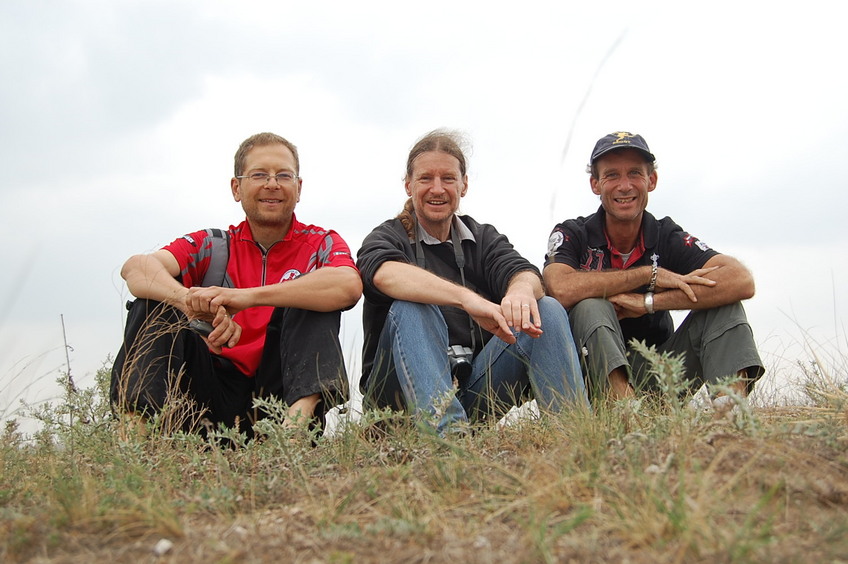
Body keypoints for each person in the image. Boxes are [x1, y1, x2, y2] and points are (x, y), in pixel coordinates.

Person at [111, 132, 362, 436]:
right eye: (259, 175)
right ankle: (134, 438)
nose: (272, 184)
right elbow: (136, 268)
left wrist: (245, 298)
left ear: (298, 188)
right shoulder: (213, 245)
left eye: (284, 175)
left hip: (277, 399)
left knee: (311, 295)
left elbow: (347, 285)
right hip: (206, 399)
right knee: (150, 304)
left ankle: (294, 436)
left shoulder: (320, 242)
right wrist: (190, 304)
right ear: (236, 187)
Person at [357, 129, 588, 435]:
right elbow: (383, 272)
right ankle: (449, 441)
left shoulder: (481, 237)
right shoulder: (386, 236)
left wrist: (519, 291)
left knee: (546, 308)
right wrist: (467, 299)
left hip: (470, 394)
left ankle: (574, 433)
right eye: (426, 178)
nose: (437, 189)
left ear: (463, 185)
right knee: (412, 307)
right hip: (397, 407)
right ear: (408, 185)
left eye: (448, 179)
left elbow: (524, 271)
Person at [544, 131, 764, 403]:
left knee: (725, 304)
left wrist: (648, 302)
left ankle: (729, 420)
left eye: (635, 173)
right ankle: (626, 415)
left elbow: (741, 281)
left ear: (652, 180)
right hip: (593, 381)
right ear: (595, 184)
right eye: (612, 175)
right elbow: (559, 288)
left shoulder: (666, 235)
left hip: (660, 375)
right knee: (592, 305)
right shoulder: (572, 232)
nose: (625, 186)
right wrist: (650, 274)